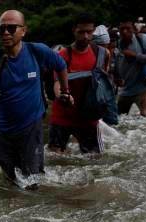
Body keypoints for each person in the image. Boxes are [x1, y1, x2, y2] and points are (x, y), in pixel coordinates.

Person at [0, 10, 72, 189]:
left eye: (11, 28)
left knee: (32, 180)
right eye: (2, 29)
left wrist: (65, 91)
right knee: (10, 179)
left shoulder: (36, 50)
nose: (6, 33)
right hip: (5, 129)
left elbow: (61, 65)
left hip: (31, 125)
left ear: (23, 31)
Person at [48, 14, 111, 155]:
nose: (86, 36)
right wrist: (62, 95)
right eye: (81, 32)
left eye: (89, 32)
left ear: (94, 30)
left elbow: (103, 82)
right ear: (74, 31)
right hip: (62, 116)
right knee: (54, 158)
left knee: (96, 161)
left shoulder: (102, 54)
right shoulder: (62, 56)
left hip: (89, 117)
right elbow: (57, 83)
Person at [114, 19, 146, 117]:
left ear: (134, 29)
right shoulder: (118, 43)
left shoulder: (142, 38)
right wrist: (116, 76)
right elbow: (117, 63)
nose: (125, 31)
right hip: (126, 90)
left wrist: (135, 55)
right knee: (117, 120)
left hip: (143, 88)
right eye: (122, 29)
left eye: (128, 28)